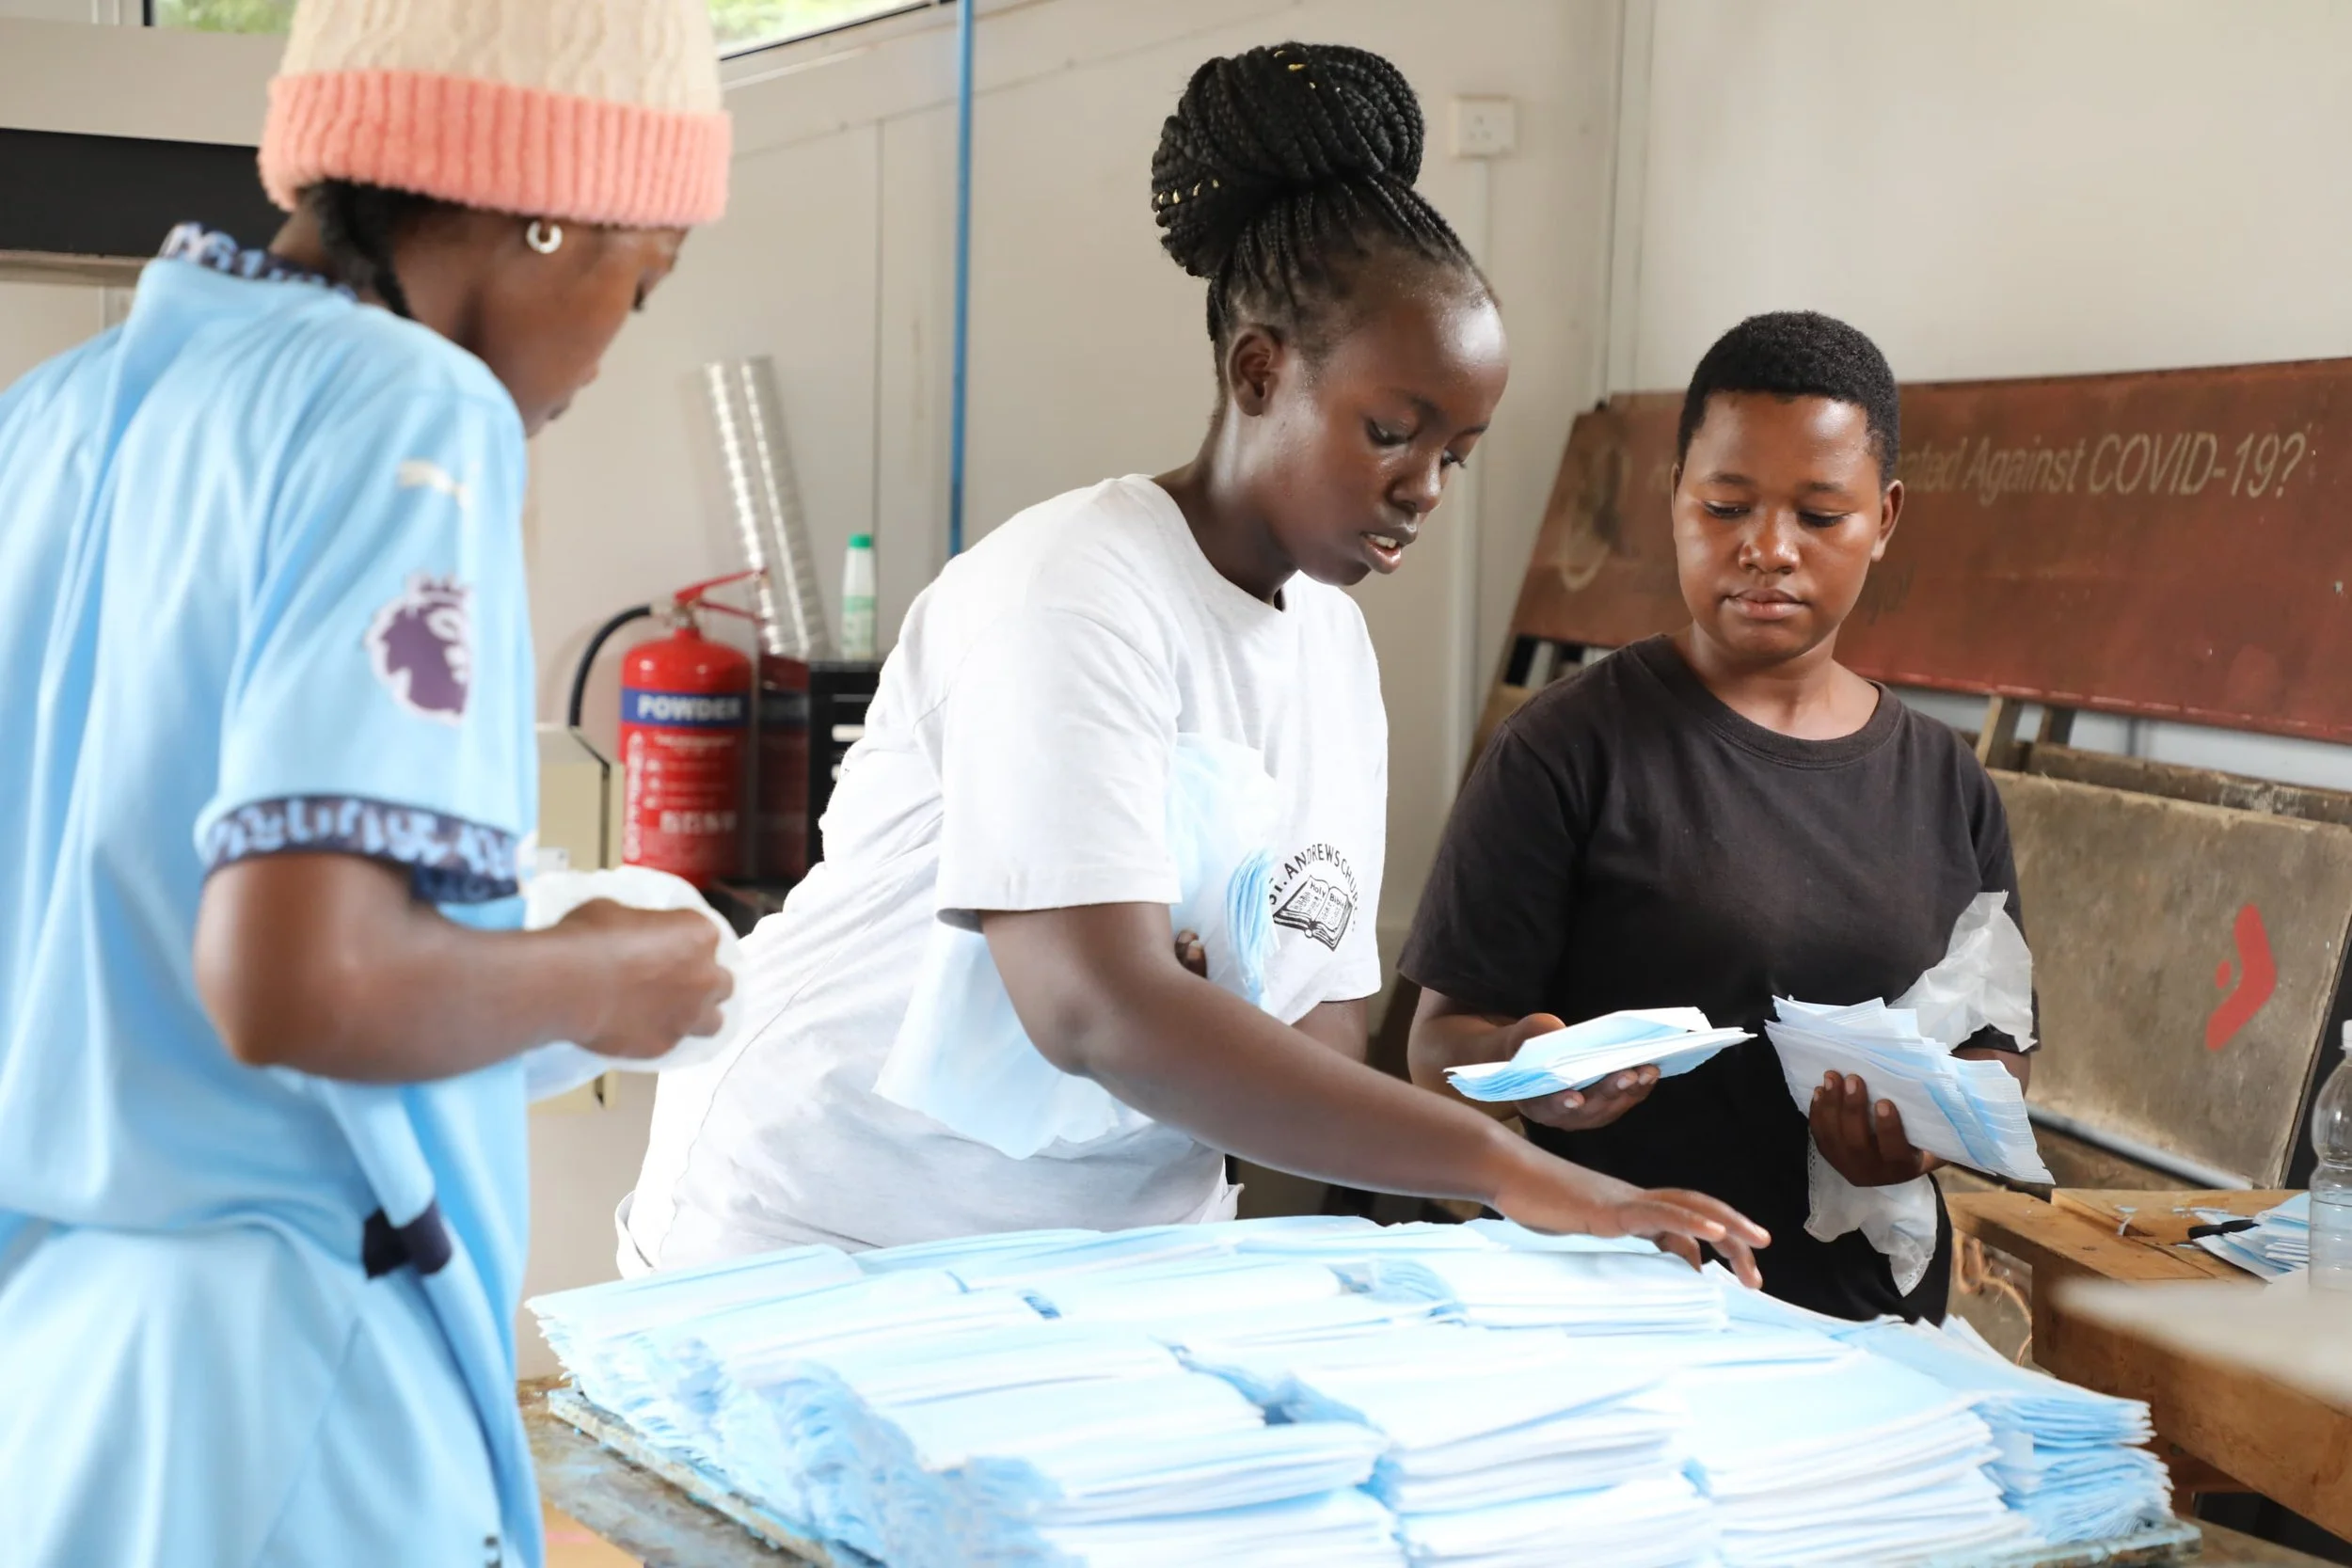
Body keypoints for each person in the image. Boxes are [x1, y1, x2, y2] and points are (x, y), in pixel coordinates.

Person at [625, 42, 1769, 1282]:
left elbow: (1317, 1034)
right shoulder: (1074, 588)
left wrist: (1505, 1100)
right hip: (828, 1229)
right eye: (1392, 431)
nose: (1426, 486)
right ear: (1259, 371)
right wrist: (1514, 1173)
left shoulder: (1330, 647)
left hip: (1103, 1263)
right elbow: (1093, 1007)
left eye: (1459, 451)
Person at [0, 4, 738, 1564]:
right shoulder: (409, 405)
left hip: (57, 1363)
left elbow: (104, 907)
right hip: (281, 1380)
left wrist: (487, 936)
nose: (612, 345)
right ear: (549, 207)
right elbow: (301, 982)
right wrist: (601, 973)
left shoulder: (54, 421)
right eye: (639, 279)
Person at [1402, 311, 2033, 1323]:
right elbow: (1436, 1042)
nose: (1768, 549)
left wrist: (1925, 1129)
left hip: (1872, 1326)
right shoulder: (1565, 750)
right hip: (1626, 1312)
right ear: (1676, 499)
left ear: (1887, 516)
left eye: (1820, 516)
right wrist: (1529, 1068)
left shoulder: (1944, 784)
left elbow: (1996, 1047)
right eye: (1727, 504)